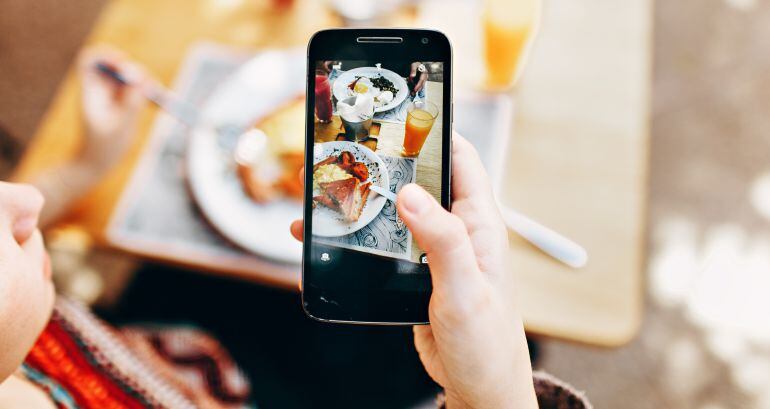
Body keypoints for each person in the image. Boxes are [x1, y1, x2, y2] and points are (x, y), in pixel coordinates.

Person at [0, 48, 590, 408]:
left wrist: (82, 168)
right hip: (263, 389)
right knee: (505, 339)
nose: (22, 198)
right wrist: (496, 395)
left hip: (154, 331)